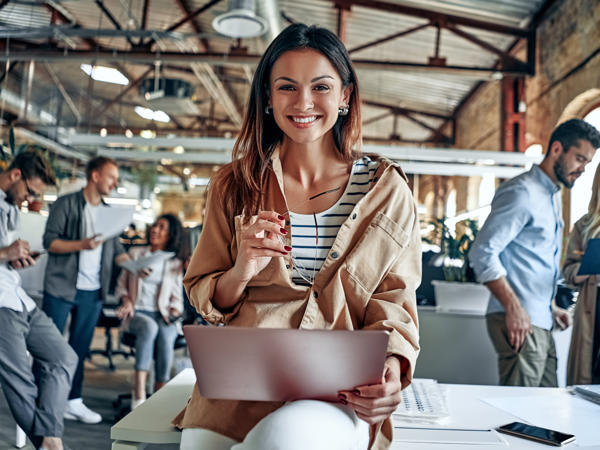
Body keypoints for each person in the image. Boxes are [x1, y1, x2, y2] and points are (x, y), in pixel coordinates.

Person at [173, 24, 421, 450]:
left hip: (340, 391)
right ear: (268, 98)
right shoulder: (234, 186)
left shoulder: (387, 191)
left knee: (282, 440)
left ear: (345, 95)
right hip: (238, 389)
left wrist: (394, 370)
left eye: (321, 87)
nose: (303, 102)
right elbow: (204, 294)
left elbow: (396, 303)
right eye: (286, 87)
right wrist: (240, 270)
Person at [469, 119, 600, 387]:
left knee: (546, 412)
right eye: (578, 159)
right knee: (522, 418)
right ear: (556, 150)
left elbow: (530, 260)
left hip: (539, 320)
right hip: (521, 320)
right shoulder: (522, 192)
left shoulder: (550, 195)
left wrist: (549, 307)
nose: (582, 169)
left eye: (587, 163)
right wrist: (514, 308)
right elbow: (482, 252)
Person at [41, 156, 129, 424]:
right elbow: (50, 242)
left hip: (92, 292)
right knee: (48, 345)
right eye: (111, 177)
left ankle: (73, 400)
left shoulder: (109, 212)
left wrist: (136, 265)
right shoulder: (67, 204)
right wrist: (82, 244)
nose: (115, 183)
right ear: (95, 176)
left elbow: (117, 251)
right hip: (61, 286)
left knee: (79, 347)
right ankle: (42, 397)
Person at [0, 151, 77, 450]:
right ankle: (51, 445)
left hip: (19, 298)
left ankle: (48, 440)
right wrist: (7, 253)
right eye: (31, 192)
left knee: (63, 357)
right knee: (22, 384)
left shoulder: (12, 208)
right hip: (1, 307)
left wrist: (15, 259)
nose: (30, 199)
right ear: (15, 175)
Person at [115, 214, 184, 408]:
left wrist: (173, 310)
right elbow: (120, 286)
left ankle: (160, 392)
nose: (155, 230)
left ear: (170, 235)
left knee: (166, 332)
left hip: (162, 314)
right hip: (137, 313)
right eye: (155, 225)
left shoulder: (174, 262)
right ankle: (138, 392)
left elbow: (177, 299)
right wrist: (127, 300)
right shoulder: (135, 254)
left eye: (162, 228)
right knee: (149, 327)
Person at [563, 162, 600, 384]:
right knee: (588, 379)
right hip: (592, 307)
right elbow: (567, 270)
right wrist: (588, 266)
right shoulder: (584, 225)